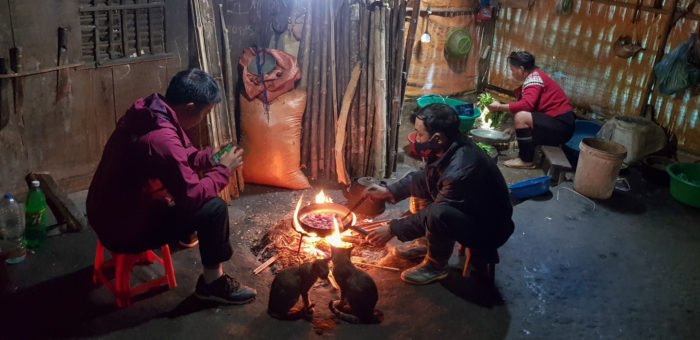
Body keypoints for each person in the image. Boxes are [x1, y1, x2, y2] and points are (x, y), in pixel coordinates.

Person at [87, 69, 256, 305]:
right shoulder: (162, 139)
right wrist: (224, 170)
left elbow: (181, 156)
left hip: (105, 212)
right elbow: (191, 196)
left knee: (186, 190)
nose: (203, 119)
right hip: (122, 230)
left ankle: (187, 240)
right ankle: (212, 285)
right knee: (213, 209)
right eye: (205, 113)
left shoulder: (153, 110)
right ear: (189, 107)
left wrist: (212, 158)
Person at [364, 103, 515, 285]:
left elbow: (435, 212)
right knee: (421, 179)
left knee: (438, 214)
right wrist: (388, 191)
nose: (416, 138)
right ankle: (425, 244)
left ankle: (436, 266)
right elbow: (423, 177)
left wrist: (392, 229)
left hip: (488, 229)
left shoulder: (461, 168)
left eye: (420, 134)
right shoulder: (449, 146)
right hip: (472, 210)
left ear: (437, 138)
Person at [487, 51, 575, 169]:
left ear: (521, 69)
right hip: (558, 123)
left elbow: (526, 105)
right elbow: (534, 109)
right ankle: (527, 155)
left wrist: (498, 107)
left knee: (521, 116)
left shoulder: (534, 79)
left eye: (512, 69)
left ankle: (526, 160)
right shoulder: (535, 76)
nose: (512, 73)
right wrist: (515, 128)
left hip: (561, 126)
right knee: (521, 118)